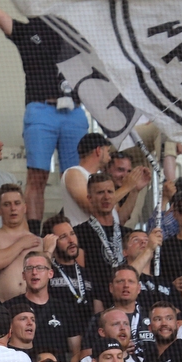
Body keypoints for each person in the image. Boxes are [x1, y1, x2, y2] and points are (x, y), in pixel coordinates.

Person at [0, 0, 88, 233]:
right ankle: (34, 233)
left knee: (76, 177)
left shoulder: (77, 30)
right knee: (37, 175)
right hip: (40, 110)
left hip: (74, 111)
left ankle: (78, 232)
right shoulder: (27, 31)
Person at [5, 252, 81, 362]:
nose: (34, 272)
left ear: (50, 274)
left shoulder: (65, 309)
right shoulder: (9, 307)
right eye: (29, 268)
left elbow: (77, 352)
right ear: (23, 275)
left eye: (40, 268)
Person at [0, 183, 52, 302]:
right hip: (3, 308)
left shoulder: (38, 241)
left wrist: (48, 251)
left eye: (17, 203)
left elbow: (47, 274)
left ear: (25, 207)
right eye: (7, 204)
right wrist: (21, 244)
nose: (13, 208)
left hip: (34, 308)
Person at [73, 173, 131, 306]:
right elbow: (80, 275)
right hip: (96, 302)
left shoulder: (127, 233)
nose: (106, 197)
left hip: (126, 301)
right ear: (90, 198)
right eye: (100, 192)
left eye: (110, 192)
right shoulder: (79, 233)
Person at [43, 214, 94, 333]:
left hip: (85, 337)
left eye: (72, 234)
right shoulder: (46, 272)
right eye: (63, 237)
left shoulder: (88, 273)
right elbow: (36, 281)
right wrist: (47, 251)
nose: (71, 240)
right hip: (56, 334)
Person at [60, 133, 113, 227]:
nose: (110, 157)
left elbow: (118, 217)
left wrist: (134, 190)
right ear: (98, 151)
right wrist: (127, 187)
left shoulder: (103, 177)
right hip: (83, 236)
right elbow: (92, 207)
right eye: (108, 151)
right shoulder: (74, 173)